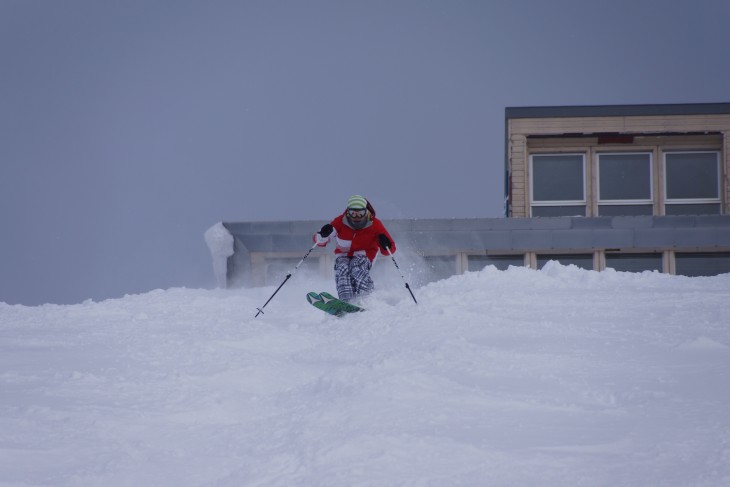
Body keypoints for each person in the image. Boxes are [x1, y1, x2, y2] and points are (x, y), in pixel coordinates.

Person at [314, 195, 396, 303]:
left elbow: (390, 250)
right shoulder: (340, 222)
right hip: (343, 255)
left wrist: (386, 244)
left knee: (356, 266)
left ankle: (367, 297)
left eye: (360, 213)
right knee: (342, 268)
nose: (357, 217)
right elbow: (320, 241)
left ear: (366, 212)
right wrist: (322, 234)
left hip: (365, 255)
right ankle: (346, 300)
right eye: (353, 213)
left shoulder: (375, 224)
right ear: (348, 212)